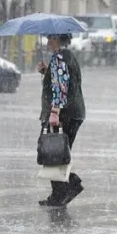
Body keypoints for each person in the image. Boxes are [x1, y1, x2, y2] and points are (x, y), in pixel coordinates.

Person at [37, 33, 86, 207]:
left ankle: (70, 185)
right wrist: (46, 71)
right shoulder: (67, 56)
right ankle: (58, 194)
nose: (48, 41)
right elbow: (66, 80)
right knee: (57, 153)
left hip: (64, 114)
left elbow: (60, 87)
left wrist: (54, 112)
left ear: (57, 39)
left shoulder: (59, 58)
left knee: (52, 153)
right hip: (74, 113)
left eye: (50, 38)